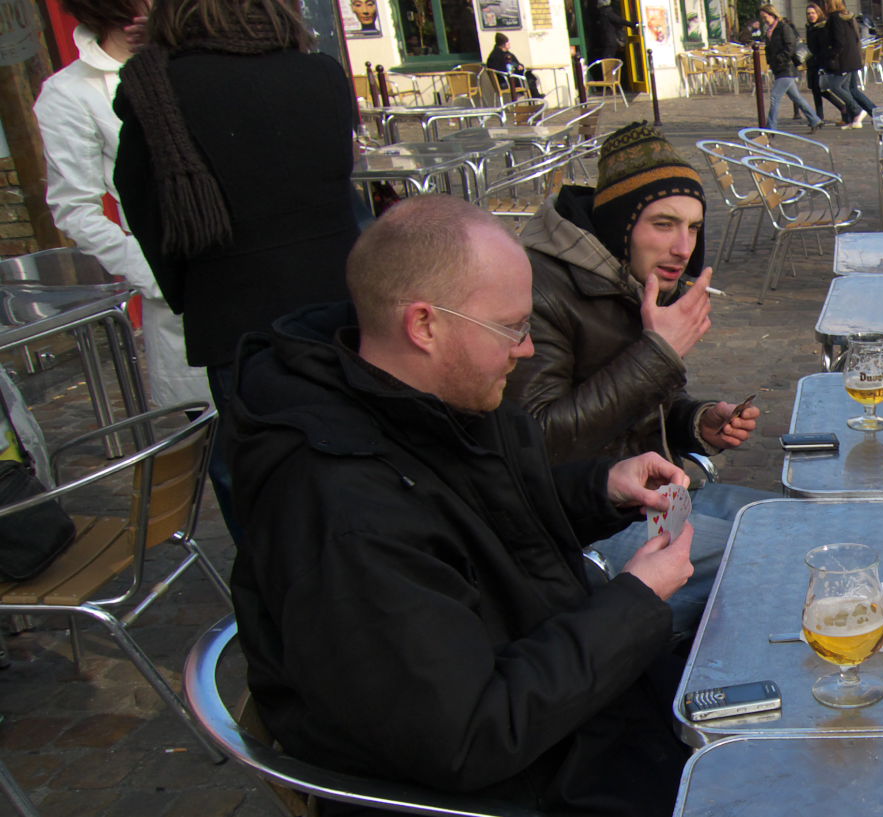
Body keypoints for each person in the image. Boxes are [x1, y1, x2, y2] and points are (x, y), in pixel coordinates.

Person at [229, 195, 696, 815]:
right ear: (424, 324)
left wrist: (603, 487)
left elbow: (483, 517)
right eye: (513, 327)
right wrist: (634, 602)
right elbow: (469, 737)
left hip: (583, 721)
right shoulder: (344, 509)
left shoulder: (437, 397)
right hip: (528, 784)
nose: (527, 349)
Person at [507, 122, 767, 636]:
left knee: (790, 522)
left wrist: (695, 420)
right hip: (581, 521)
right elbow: (536, 440)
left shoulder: (626, 272)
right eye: (664, 224)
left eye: (693, 227)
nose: (683, 248)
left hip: (655, 488)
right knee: (764, 562)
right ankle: (640, 669)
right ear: (621, 225)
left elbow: (639, 400)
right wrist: (658, 354)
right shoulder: (541, 288)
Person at [115, 0, 359, 540]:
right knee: (351, 447)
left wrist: (189, 292)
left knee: (257, 473)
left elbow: (144, 205)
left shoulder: (161, 87)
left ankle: (281, 596)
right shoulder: (320, 73)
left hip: (235, 312)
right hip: (339, 295)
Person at [35, 0, 210, 411]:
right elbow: (74, 208)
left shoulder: (201, 63)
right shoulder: (72, 92)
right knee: (221, 442)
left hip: (255, 273)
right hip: (182, 283)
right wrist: (153, 272)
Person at [761, 5, 825, 131]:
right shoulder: (769, 31)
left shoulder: (783, 27)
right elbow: (770, 48)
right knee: (796, 97)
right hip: (778, 68)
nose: (764, 20)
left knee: (775, 97)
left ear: (772, 15)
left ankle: (770, 128)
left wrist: (780, 59)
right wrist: (771, 61)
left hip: (787, 67)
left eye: (765, 17)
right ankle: (815, 120)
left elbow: (790, 46)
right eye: (762, 17)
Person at [817, 0, 877, 127]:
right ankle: (872, 114)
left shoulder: (835, 18)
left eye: (826, 4)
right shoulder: (848, 16)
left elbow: (839, 41)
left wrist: (831, 55)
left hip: (844, 59)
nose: (825, 6)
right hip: (853, 57)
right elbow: (856, 37)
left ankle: (858, 111)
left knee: (836, 86)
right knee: (852, 89)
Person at [803, 2, 849, 123]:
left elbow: (824, 46)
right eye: (808, 14)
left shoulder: (822, 27)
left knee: (822, 89)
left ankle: (841, 108)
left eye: (813, 13)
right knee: (815, 90)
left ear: (818, 13)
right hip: (811, 62)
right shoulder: (810, 27)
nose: (811, 16)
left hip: (820, 62)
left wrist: (822, 60)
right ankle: (820, 116)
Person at [485, 32, 543, 98]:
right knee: (529, 78)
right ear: (503, 45)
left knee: (530, 75)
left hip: (511, 78)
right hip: (506, 81)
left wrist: (520, 66)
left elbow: (517, 63)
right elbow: (503, 69)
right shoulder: (495, 56)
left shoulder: (507, 54)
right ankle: (535, 96)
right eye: (508, 43)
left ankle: (534, 96)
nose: (510, 44)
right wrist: (516, 68)